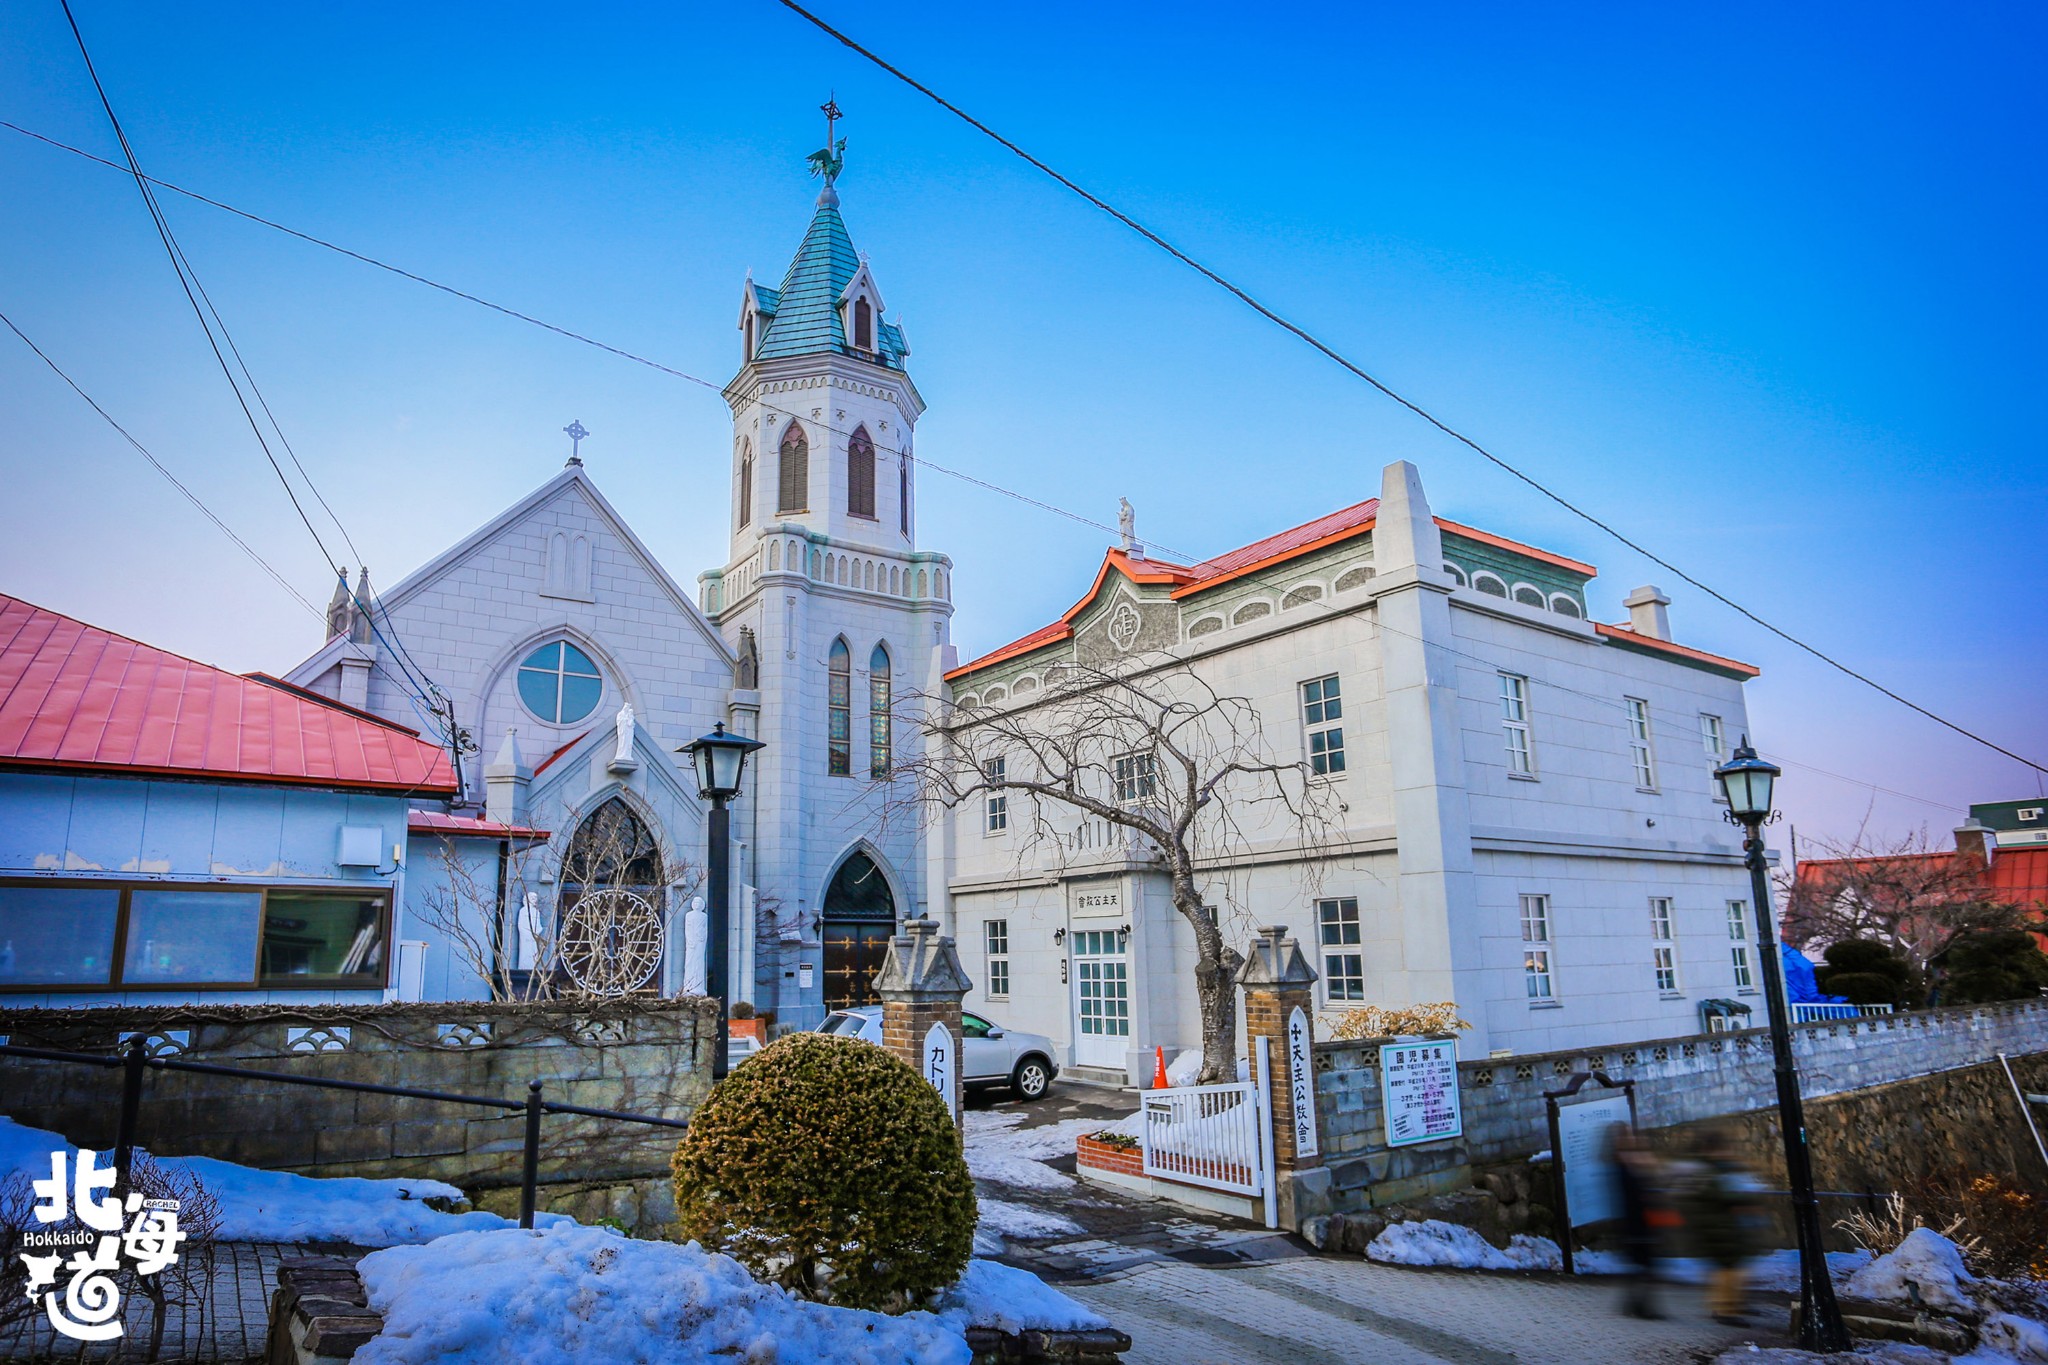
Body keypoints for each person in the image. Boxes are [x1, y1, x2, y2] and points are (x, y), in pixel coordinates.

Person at [1684, 1129, 1768, 1324]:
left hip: (1724, 1226)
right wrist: (1744, 1194)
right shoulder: (1707, 1171)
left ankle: (1732, 1304)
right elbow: (1724, 1194)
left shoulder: (1717, 1168)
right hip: (1717, 1227)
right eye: (1722, 1148)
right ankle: (1724, 1310)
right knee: (1726, 1268)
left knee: (1732, 1266)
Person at [1607, 1125, 1673, 1319]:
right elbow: (1635, 1194)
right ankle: (1642, 1306)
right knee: (1647, 1267)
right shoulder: (1624, 1167)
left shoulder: (1625, 1165)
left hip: (1637, 1223)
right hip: (1637, 1224)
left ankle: (1633, 1303)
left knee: (1642, 1267)